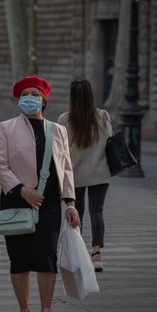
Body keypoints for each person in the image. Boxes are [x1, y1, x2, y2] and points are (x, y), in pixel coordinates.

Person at [0, 75, 80, 312]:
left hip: (50, 204)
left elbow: (66, 169)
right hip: (15, 202)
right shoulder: (6, 128)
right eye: (25, 93)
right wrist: (23, 190)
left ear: (44, 100)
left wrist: (71, 202)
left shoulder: (58, 130)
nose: (30, 97)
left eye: (35, 94)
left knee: (47, 258)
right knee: (19, 259)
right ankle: (24, 311)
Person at [57, 80, 112, 271]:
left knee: (76, 212)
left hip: (74, 174)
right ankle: (97, 254)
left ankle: (77, 254)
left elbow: (60, 149)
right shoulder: (103, 116)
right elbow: (109, 141)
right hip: (100, 172)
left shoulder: (65, 119)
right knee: (97, 211)